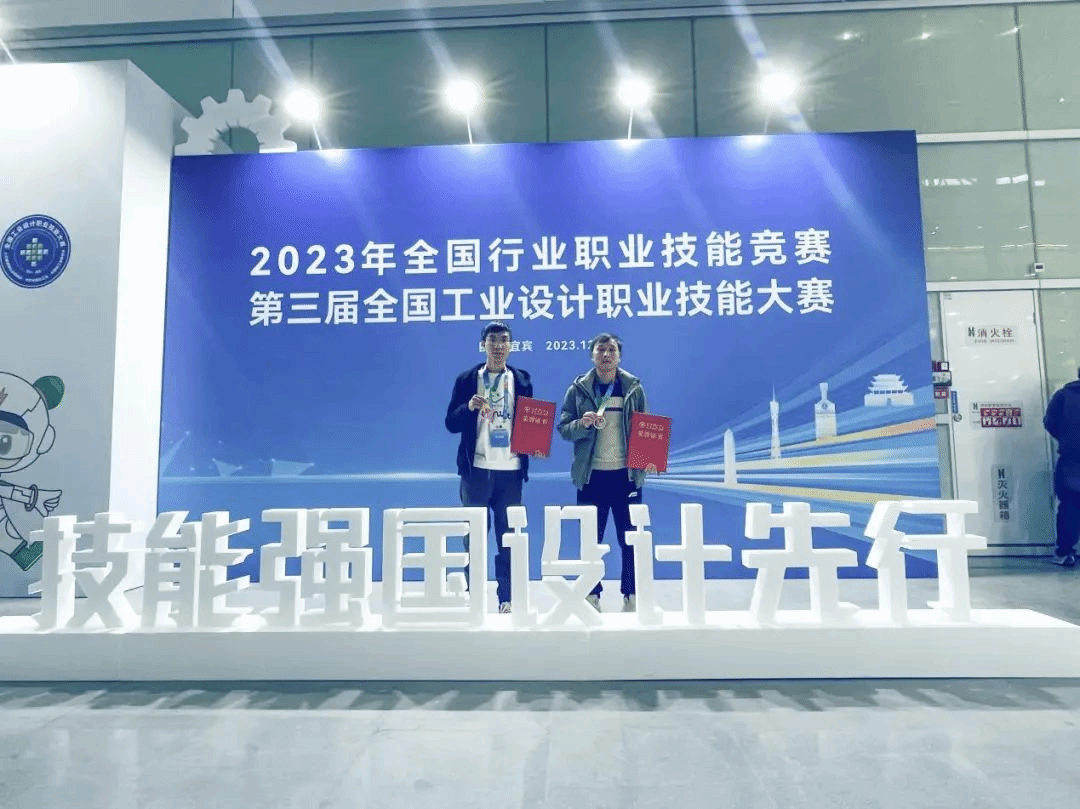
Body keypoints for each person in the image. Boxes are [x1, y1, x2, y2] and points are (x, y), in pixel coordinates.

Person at [445, 322, 533, 612]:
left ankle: (507, 598)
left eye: (503, 340)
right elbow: (450, 423)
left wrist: (535, 441)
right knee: (474, 538)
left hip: (511, 470)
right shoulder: (467, 379)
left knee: (508, 539)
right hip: (477, 471)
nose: (498, 346)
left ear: (511, 346)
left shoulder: (521, 379)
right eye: (492, 340)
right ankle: (474, 597)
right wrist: (468, 408)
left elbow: (530, 421)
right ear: (483, 344)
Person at [557, 332, 647, 612]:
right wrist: (582, 424)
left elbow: (645, 430)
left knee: (630, 539)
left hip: (625, 477)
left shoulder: (633, 389)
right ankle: (591, 592)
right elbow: (564, 430)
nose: (606, 355)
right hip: (591, 476)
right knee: (590, 540)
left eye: (611, 350)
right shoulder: (578, 390)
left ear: (619, 356)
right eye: (600, 350)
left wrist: (646, 463)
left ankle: (631, 592)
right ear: (592, 355)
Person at [1045, 366, 1080, 567]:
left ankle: (1065, 553)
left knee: (1069, 506)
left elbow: (1050, 423)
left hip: (1071, 460)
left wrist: (1067, 440)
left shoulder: (1063, 396)